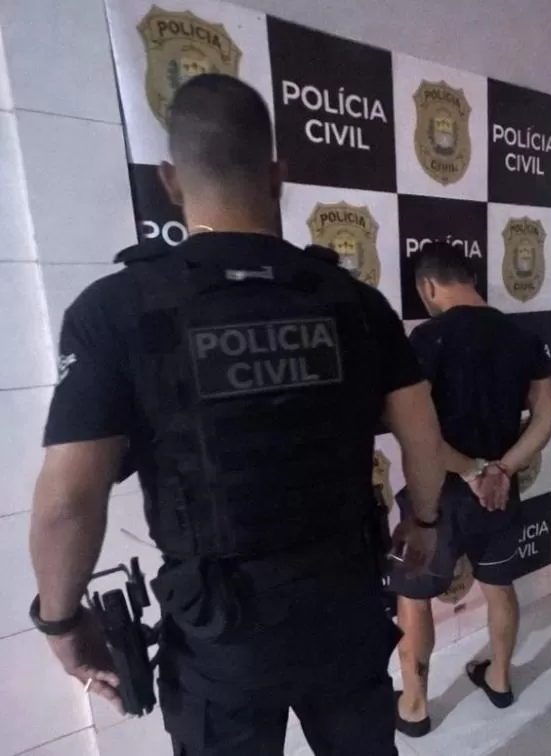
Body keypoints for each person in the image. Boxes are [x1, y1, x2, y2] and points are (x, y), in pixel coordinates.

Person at [27, 73, 446, 756]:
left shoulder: (116, 309)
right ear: (277, 174)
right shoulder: (355, 302)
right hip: (342, 605)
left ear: (169, 181)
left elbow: (69, 501)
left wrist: (61, 621)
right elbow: (421, 431)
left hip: (221, 633)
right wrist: (424, 522)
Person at [388, 242, 551, 737]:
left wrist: (472, 470)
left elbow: (417, 432)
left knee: (412, 597)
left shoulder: (427, 338)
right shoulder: (524, 334)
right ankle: (500, 680)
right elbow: (548, 416)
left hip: (435, 499)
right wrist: (501, 470)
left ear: (429, 286)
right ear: (472, 278)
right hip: (498, 495)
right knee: (499, 586)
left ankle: (415, 708)